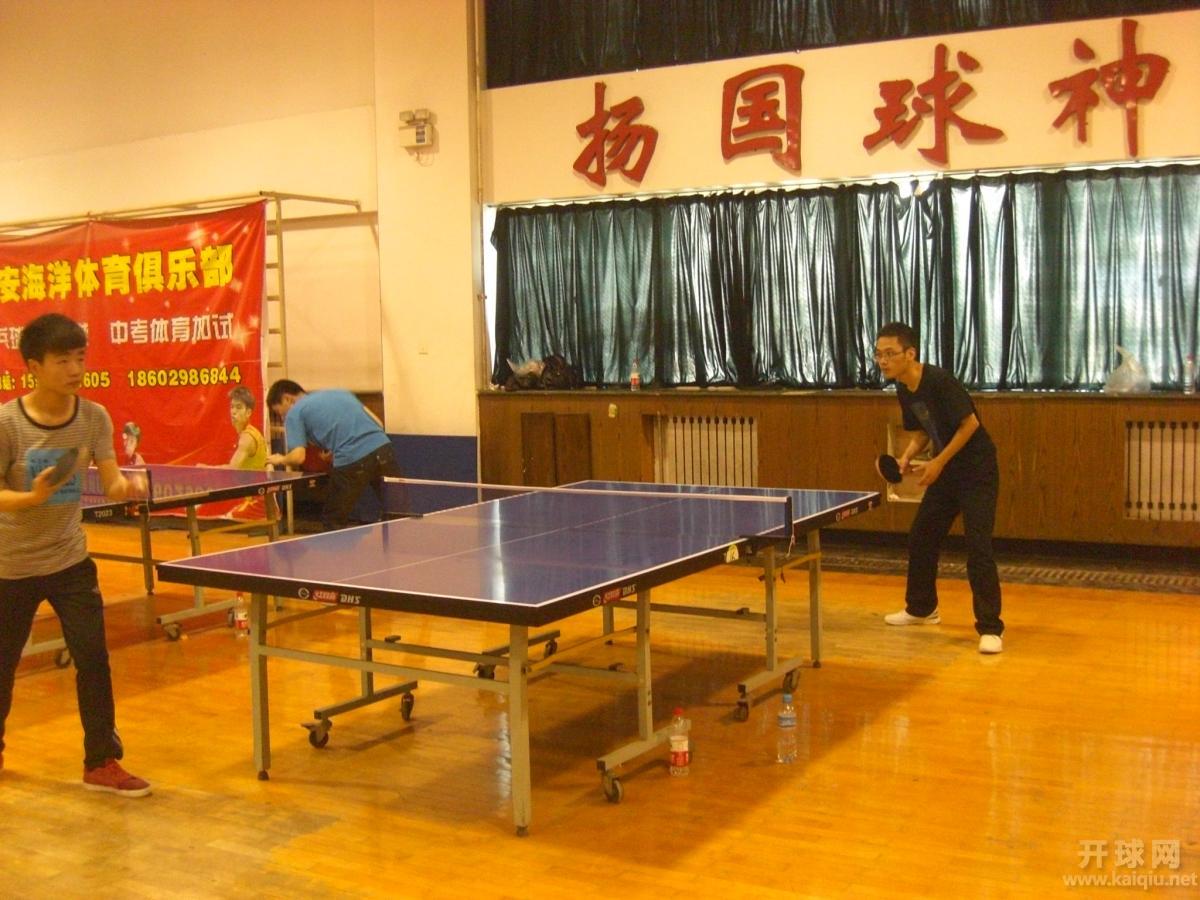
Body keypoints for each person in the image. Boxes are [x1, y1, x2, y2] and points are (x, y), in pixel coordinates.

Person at [0, 313, 151, 795]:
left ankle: (101, 761)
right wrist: (31, 498)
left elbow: (109, 479)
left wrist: (126, 487)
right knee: (3, 665)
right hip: (11, 566)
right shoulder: (6, 423)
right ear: (33, 367)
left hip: (69, 560)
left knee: (94, 659)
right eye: (62, 360)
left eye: (80, 358)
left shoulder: (94, 417)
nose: (74, 369)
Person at [873, 321, 1004, 654]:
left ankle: (990, 628)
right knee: (922, 536)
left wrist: (938, 462)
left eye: (889, 354)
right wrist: (905, 458)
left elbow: (970, 424)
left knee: (978, 547)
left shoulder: (940, 381)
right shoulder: (904, 388)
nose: (883, 361)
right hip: (946, 471)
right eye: (878, 354)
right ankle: (922, 609)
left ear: (910, 354)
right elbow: (922, 431)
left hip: (977, 471)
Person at [265, 379, 398, 531]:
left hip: (352, 460)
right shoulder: (340, 393)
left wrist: (280, 459)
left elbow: (298, 457)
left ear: (287, 399)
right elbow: (378, 423)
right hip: (384, 449)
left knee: (333, 520)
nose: (283, 418)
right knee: (399, 512)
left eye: (279, 413)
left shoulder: (295, 412)